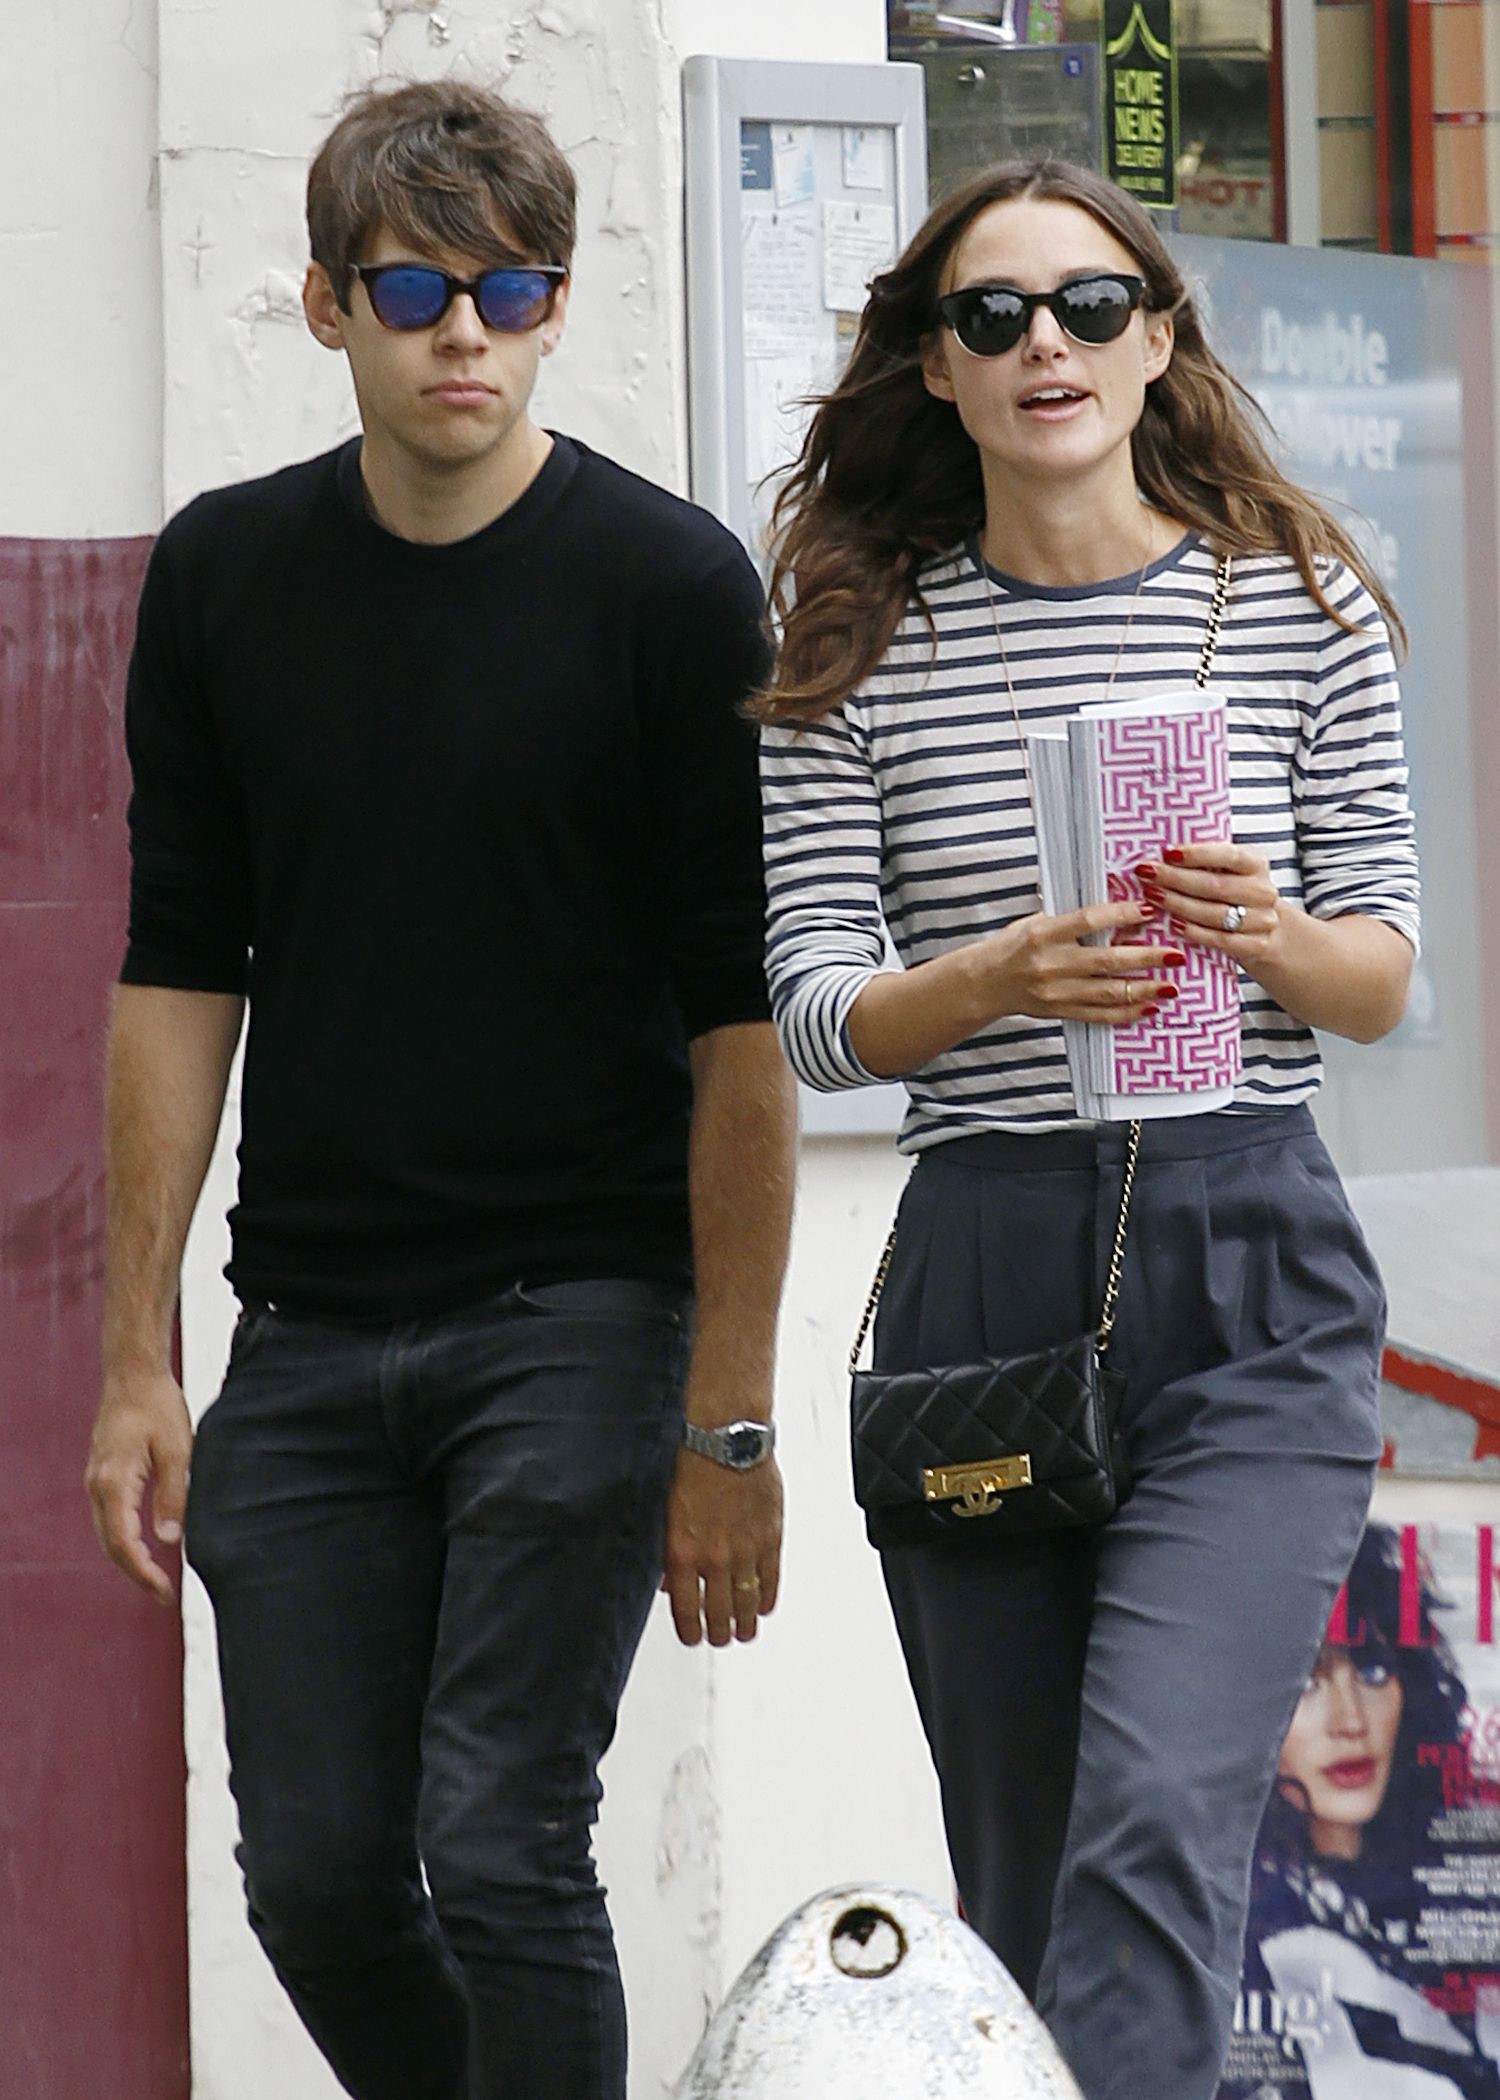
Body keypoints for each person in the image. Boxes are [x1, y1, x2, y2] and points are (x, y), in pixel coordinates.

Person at [84, 78, 796, 2100]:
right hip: (304, 1332)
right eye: (413, 289)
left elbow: (741, 1033)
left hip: (574, 1315)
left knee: (497, 1840)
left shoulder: (667, 592)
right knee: (312, 1877)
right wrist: (140, 1361)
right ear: (326, 307)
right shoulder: (223, 580)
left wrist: (724, 1418)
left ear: (560, 307)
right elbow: (171, 972)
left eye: (508, 288)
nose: (462, 330)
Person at [757, 157, 1420, 2100]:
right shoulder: (856, 647)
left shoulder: (1297, 604)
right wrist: (994, 983)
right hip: (988, 1261)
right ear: (939, 373)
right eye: (992, 316)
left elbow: (1391, 974)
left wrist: (1266, 934)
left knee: (1151, 1810)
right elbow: (814, 1015)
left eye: (1089, 306)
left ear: (1159, 341)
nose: (1045, 342)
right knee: (1025, 1869)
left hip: (1249, 1252)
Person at [1228, 1525, 1499, 2100]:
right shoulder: (1233, 1919)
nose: (1351, 1720)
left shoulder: (1460, 1876)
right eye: (1307, 1680)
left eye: (1374, 1671)